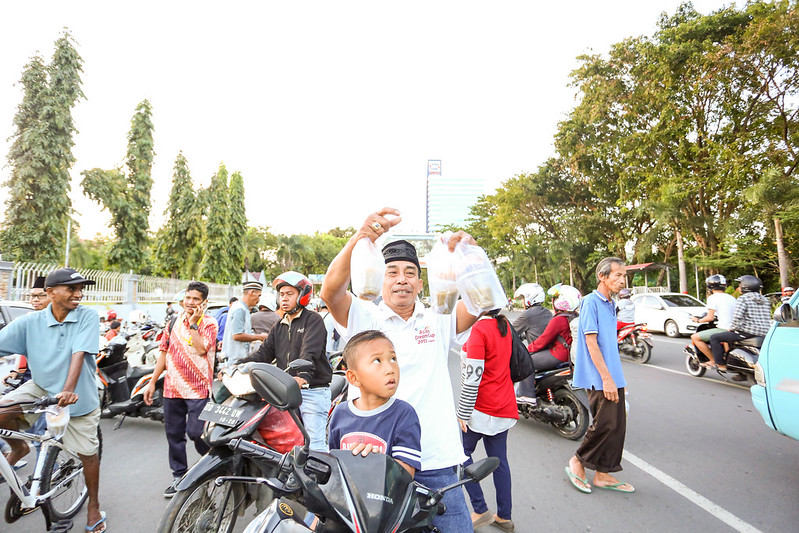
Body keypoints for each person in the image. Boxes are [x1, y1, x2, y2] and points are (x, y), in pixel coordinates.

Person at [319, 208, 480, 532]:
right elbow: (330, 293)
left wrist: (470, 255)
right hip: (373, 461)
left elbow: (478, 300)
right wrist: (360, 238)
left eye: (410, 272)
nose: (402, 279)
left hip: (436, 464)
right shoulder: (365, 317)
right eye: (392, 272)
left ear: (421, 282)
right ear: (379, 278)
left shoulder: (439, 317)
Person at [0, 268, 106, 532]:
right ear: (51, 292)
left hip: (78, 397)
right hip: (41, 387)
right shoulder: (29, 322)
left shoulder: (86, 316)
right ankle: (19, 448)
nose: (78, 294)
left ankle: (93, 505)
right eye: (71, 289)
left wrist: (67, 391)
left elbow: (78, 354)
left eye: (81, 289)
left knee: (87, 453)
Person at [566, 257, 634, 495]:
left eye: (623, 275)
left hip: (614, 374)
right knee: (604, 424)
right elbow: (591, 343)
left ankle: (603, 474)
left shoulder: (609, 303)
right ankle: (578, 460)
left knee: (617, 426)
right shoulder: (590, 302)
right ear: (602, 277)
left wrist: (613, 376)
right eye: (617, 275)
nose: (622, 280)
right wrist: (605, 378)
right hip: (599, 376)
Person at [143, 281, 218, 498]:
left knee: (196, 433)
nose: (191, 302)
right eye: (188, 298)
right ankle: (179, 476)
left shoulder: (210, 323)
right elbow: (164, 353)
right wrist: (152, 382)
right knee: (173, 435)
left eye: (196, 299)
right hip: (172, 388)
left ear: (204, 302)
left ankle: (212, 463)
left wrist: (194, 324)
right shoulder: (173, 322)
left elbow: (203, 348)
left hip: (198, 389)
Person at [244, 271, 331, 451]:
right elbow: (263, 354)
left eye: (290, 294)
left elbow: (310, 352)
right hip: (285, 391)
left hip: (311, 389)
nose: (284, 298)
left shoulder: (312, 320)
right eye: (282, 294)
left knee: (314, 444)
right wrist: (237, 366)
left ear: (302, 295)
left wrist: (303, 376)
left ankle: (317, 478)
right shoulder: (280, 324)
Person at [328, 330, 421, 477]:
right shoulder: (340, 412)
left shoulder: (404, 414)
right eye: (377, 360)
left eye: (393, 359)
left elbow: (407, 473)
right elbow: (333, 463)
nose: (390, 369)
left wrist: (378, 462)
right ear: (353, 378)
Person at [457, 310, 517, 531]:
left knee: (459, 454)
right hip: (504, 405)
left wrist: (462, 412)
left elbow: (473, 379)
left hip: (481, 409)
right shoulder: (504, 326)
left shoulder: (479, 330)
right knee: (499, 461)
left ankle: (480, 509)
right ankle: (504, 516)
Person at [516, 285, 581, 406]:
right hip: (568, 354)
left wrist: (526, 350)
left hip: (558, 354)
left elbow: (543, 340)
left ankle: (526, 395)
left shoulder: (558, 319)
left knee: (526, 361)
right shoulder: (574, 316)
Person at [708, 275, 771, 373]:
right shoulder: (765, 300)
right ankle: (740, 371)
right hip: (764, 333)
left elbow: (737, 317)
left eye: (740, 285)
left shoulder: (743, 299)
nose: (738, 287)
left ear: (746, 286)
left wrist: (732, 328)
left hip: (746, 332)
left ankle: (720, 364)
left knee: (714, 338)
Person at [690, 275, 737, 368]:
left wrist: (698, 320)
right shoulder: (731, 298)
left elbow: (710, 318)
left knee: (695, 337)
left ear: (710, 286)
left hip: (723, 328)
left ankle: (713, 360)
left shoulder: (712, 298)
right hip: (733, 328)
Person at [221, 280, 267, 366]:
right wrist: (260, 337)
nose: (259, 300)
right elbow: (237, 335)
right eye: (259, 295)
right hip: (234, 360)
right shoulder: (240, 309)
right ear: (252, 292)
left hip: (238, 359)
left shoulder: (243, 308)